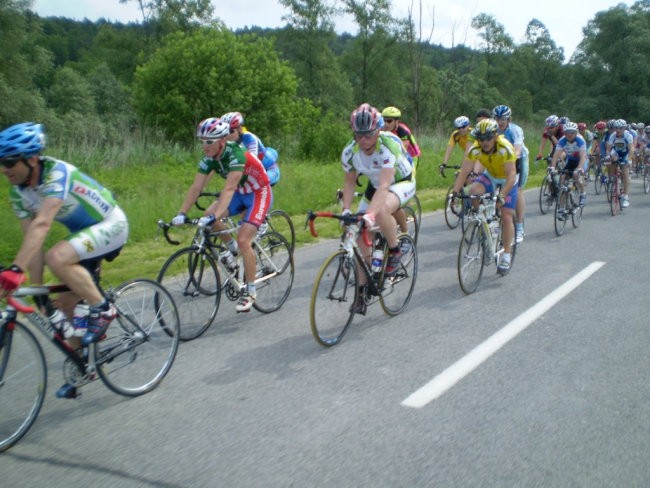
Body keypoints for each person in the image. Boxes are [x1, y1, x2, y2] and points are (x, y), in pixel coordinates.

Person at [0, 122, 129, 398]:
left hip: (111, 224)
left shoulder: (56, 173)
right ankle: (85, 366)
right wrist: (37, 292)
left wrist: (14, 270)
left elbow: (43, 223)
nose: (4, 168)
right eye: (1, 162)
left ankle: (103, 308)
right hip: (84, 237)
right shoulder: (18, 192)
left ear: (32, 158)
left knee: (57, 256)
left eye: (10, 161)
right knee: (64, 305)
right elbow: (31, 243)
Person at [171, 117, 272, 312]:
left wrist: (215, 216)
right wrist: (181, 212)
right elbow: (196, 186)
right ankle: (230, 250)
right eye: (202, 141)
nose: (204, 146)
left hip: (258, 192)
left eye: (209, 142)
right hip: (240, 193)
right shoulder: (209, 158)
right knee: (209, 213)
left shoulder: (236, 155)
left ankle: (250, 291)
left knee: (244, 240)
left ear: (221, 141)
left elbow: (228, 189)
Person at [341, 103, 415, 315]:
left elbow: (385, 185)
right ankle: (363, 289)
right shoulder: (350, 151)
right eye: (359, 134)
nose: (364, 140)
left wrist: (370, 215)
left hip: (400, 182)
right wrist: (347, 210)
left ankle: (394, 250)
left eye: (369, 134)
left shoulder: (388, 145)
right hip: (375, 186)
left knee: (380, 212)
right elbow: (349, 183)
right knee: (357, 231)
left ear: (378, 131)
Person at [452, 118, 518, 276]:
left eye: (488, 137)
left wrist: (502, 195)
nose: (485, 142)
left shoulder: (505, 148)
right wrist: (454, 193)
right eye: (481, 139)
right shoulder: (475, 149)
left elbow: (511, 175)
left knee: (507, 215)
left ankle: (507, 255)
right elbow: (464, 171)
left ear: (495, 136)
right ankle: (485, 222)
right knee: (473, 191)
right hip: (491, 175)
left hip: (508, 179)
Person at [493, 105, 529, 244]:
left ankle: (519, 227)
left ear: (509, 119)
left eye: (503, 119)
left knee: (518, 191)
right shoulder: (493, 129)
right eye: (497, 118)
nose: (500, 122)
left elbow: (517, 149)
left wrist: (510, 161)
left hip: (519, 159)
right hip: (500, 161)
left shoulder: (515, 130)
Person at [221, 111, 280, 186]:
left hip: (269, 169)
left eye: (230, 131)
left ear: (239, 129)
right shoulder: (226, 143)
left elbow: (252, 162)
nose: (227, 135)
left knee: (256, 185)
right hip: (254, 171)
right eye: (224, 132)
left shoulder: (249, 138)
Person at [549, 121, 588, 214]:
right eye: (567, 132)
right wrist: (552, 167)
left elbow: (583, 156)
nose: (569, 134)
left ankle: (583, 193)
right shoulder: (562, 140)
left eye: (572, 132)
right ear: (564, 133)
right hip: (571, 161)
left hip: (581, 161)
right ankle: (562, 208)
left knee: (576, 176)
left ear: (576, 132)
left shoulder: (580, 140)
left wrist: (579, 168)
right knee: (562, 182)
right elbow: (556, 155)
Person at [605, 118, 634, 208]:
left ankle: (626, 196)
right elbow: (609, 148)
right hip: (616, 153)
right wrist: (607, 155)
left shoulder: (628, 135)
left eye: (621, 128)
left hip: (625, 153)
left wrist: (629, 159)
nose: (618, 130)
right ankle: (614, 182)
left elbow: (631, 149)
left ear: (624, 128)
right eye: (616, 128)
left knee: (625, 172)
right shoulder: (613, 135)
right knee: (611, 163)